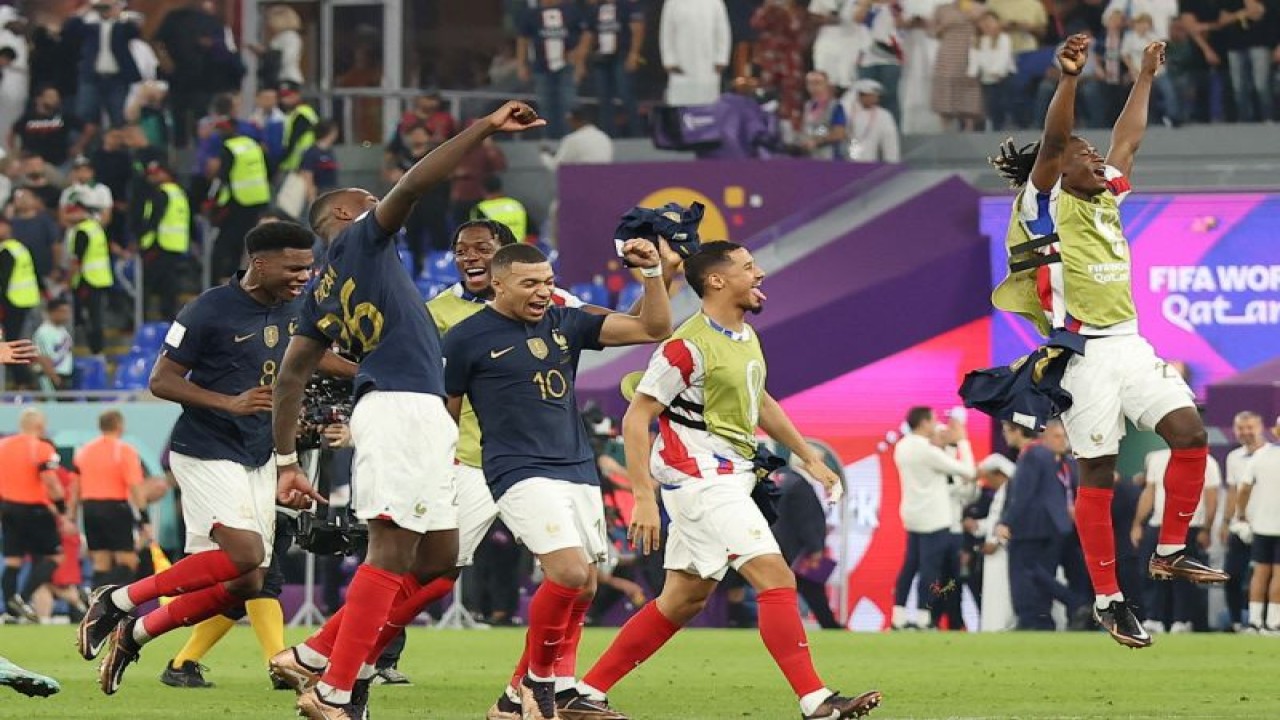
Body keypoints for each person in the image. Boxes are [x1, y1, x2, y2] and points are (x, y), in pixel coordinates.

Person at [265, 101, 546, 720]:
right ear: (345, 214)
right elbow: (417, 181)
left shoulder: (321, 291)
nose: (381, 202)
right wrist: (484, 128)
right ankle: (336, 690)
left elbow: (291, 376)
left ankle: (316, 658)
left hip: (414, 411)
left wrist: (286, 461)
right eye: (369, 199)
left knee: (438, 558)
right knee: (390, 552)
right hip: (400, 408)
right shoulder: (360, 240)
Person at [986, 35, 1225, 650]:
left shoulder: (1106, 195)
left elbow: (1129, 140)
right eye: (1083, 153)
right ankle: (1109, 600)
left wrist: (1144, 76)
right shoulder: (1042, 204)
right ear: (1057, 167)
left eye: (1095, 154)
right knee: (1099, 473)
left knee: (1191, 435)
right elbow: (1057, 141)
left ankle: (1170, 551)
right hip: (1083, 355)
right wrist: (1069, 79)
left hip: (1130, 344)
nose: (1097, 158)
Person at [578, 241, 881, 720]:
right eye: (748, 267)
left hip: (727, 477)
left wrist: (808, 457)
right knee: (775, 576)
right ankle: (816, 701)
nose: (759, 274)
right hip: (701, 479)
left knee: (683, 599)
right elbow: (637, 417)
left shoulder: (743, 335)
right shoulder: (685, 346)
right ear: (717, 281)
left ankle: (585, 693)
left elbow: (760, 401)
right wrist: (642, 498)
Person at [76, 221, 328, 695]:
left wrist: (373, 370)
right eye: (294, 267)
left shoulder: (299, 306)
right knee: (247, 555)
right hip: (207, 447)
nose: (304, 276)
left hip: (259, 452)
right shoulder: (208, 309)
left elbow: (310, 358)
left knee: (248, 583)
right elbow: (161, 380)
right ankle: (118, 599)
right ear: (259, 264)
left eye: (308, 267)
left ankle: (135, 633)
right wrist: (229, 402)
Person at [442, 239, 671, 720]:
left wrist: (653, 274)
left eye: (548, 282)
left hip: (576, 466)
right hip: (516, 468)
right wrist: (440, 469)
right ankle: (540, 685)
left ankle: (523, 696)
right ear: (498, 284)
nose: (543, 292)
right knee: (567, 572)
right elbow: (448, 411)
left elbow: (653, 327)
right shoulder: (465, 337)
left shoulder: (566, 322)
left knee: (584, 585)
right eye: (530, 283)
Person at [890, 407, 976, 629]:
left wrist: (941, 445)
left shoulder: (902, 446)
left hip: (912, 515)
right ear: (924, 423)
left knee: (910, 566)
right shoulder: (927, 452)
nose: (937, 425)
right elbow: (968, 471)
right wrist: (962, 441)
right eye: (934, 421)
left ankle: (898, 616)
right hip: (934, 518)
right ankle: (922, 617)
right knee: (930, 569)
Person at [996, 421, 1083, 630]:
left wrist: (1006, 522)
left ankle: (1069, 603)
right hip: (1052, 526)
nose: (1005, 437)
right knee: (1039, 573)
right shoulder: (1046, 455)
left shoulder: (1031, 455)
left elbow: (1023, 494)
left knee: (1026, 573)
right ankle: (1040, 619)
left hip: (1031, 527)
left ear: (1017, 431)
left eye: (1006, 431)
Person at [1132, 446, 1220, 632]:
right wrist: (1138, 524)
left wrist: (1206, 529)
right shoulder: (1156, 458)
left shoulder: (1207, 462)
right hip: (1159, 524)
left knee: (1183, 576)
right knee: (1151, 572)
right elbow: (1149, 492)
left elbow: (1212, 497)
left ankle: (1182, 620)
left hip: (1189, 526)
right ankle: (1154, 618)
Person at [0, 408, 72, 624]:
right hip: (34, 509)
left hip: (8, 507)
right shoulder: (41, 447)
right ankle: (22, 598)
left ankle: (10, 610)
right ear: (40, 426)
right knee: (55, 557)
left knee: (13, 560)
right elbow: (50, 480)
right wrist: (62, 510)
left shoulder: (3, 445)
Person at [74, 410, 147, 590]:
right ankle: (94, 592)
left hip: (89, 508)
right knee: (128, 562)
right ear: (120, 425)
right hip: (115, 508)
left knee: (100, 561)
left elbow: (76, 485)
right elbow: (134, 485)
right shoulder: (124, 450)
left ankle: (96, 601)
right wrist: (145, 518)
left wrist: (71, 513)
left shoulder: (84, 451)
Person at [771, 460, 842, 629]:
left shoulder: (785, 479)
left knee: (803, 589)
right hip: (798, 550)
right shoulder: (799, 485)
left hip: (784, 546)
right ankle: (829, 625)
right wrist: (815, 548)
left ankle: (828, 624)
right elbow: (806, 520)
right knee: (812, 589)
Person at [206, 118, 271, 282]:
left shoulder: (229, 148)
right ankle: (239, 277)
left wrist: (213, 199)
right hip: (258, 199)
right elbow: (268, 168)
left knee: (226, 242)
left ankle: (217, 279)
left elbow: (223, 177)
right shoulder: (252, 144)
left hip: (239, 201)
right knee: (246, 241)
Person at [517, 0, 592, 140]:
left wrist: (580, 55)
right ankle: (550, 139)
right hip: (541, 66)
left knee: (568, 103)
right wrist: (521, 64)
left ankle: (571, 138)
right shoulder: (531, 14)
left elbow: (586, 34)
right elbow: (523, 39)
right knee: (545, 104)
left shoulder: (572, 10)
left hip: (567, 65)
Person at [1233, 416, 1280, 634]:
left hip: (1261, 525)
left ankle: (1254, 621)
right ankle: (1273, 622)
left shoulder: (1260, 456)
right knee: (1278, 574)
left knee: (1260, 572)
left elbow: (1243, 489)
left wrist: (1241, 514)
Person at [1223, 411, 1265, 631]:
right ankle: (1236, 621)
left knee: (1266, 575)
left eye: (1250, 427)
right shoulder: (1233, 457)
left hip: (1267, 525)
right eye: (1241, 428)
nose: (1246, 432)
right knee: (1232, 575)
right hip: (1240, 526)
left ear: (1260, 428)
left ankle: (1265, 621)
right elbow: (1233, 491)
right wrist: (1226, 521)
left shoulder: (1272, 455)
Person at [139, 161, 194, 321]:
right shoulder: (180, 193)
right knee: (169, 285)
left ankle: (143, 318)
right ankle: (168, 317)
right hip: (176, 245)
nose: (153, 177)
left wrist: (142, 239)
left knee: (148, 283)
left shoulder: (162, 193)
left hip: (159, 244)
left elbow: (154, 219)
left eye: (157, 173)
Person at [584, 0, 646, 137]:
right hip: (601, 58)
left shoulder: (626, 6)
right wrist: (584, 58)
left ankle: (637, 135)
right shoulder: (595, 9)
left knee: (626, 95)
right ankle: (608, 136)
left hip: (621, 55)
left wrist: (634, 53)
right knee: (604, 98)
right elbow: (589, 34)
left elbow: (637, 29)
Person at [63, 200, 114, 356]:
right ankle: (97, 350)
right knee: (96, 317)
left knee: (89, 318)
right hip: (101, 278)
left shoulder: (81, 231)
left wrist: (68, 282)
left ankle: (94, 350)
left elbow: (76, 262)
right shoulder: (96, 228)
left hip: (87, 281)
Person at [659, 0, 732, 106]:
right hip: (681, 65)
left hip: (708, 66)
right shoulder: (672, 3)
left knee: (708, 104)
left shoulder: (715, 2)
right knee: (681, 104)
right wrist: (669, 61)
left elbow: (722, 33)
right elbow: (667, 34)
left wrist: (721, 59)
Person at [975, 454, 1016, 631]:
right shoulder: (1002, 491)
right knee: (994, 593)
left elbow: (1007, 520)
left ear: (998, 474)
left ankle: (1002, 627)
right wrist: (977, 526)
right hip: (995, 553)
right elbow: (993, 521)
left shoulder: (1010, 490)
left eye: (988, 477)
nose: (987, 483)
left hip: (1003, 551)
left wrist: (995, 541)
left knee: (1002, 593)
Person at [0, 215, 43, 348]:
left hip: (12, 301)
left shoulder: (6, 250)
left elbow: (3, 280)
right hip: (28, 299)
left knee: (12, 339)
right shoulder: (20, 247)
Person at [842, 79, 900, 163]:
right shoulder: (846, 111)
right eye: (871, 96)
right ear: (860, 96)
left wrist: (892, 164)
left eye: (876, 96)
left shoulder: (884, 116)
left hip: (870, 163)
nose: (875, 99)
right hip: (845, 162)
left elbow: (890, 143)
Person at [797, 71, 848, 160]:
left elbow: (840, 133)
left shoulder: (835, 107)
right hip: (811, 157)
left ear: (826, 85)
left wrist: (817, 141)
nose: (813, 87)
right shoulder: (808, 106)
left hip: (830, 157)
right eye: (810, 83)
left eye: (817, 83)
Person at [470, 175, 530, 245]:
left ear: (482, 190)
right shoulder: (516, 205)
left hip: (496, 250)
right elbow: (532, 234)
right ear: (500, 188)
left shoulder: (480, 208)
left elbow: (477, 236)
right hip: (518, 249)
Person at [32, 297, 74, 392]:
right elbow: (43, 358)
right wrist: (56, 379)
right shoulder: (44, 332)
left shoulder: (62, 330)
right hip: (50, 377)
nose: (67, 315)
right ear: (52, 312)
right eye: (63, 312)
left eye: (68, 312)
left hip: (65, 375)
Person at [278, 84, 319, 176]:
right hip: (299, 164)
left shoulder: (302, 114)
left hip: (301, 164)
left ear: (297, 95)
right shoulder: (294, 113)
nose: (285, 100)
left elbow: (293, 139)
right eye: (283, 97)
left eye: (289, 96)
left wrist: (279, 162)